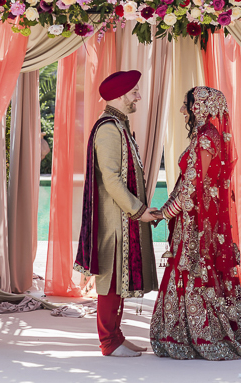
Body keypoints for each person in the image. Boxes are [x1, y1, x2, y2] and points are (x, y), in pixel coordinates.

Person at [150, 86, 241, 360]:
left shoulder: (206, 139)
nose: (183, 110)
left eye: (186, 104)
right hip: (195, 220)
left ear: (198, 107)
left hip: (196, 224)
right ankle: (189, 333)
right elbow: (188, 182)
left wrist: (163, 214)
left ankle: (197, 335)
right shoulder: (205, 137)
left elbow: (193, 186)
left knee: (192, 269)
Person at [74, 70, 160, 358]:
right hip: (115, 221)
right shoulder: (109, 129)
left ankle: (116, 336)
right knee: (111, 282)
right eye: (133, 91)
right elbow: (111, 179)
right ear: (120, 96)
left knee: (119, 282)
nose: (138, 96)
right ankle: (108, 341)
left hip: (123, 219)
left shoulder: (120, 125)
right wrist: (138, 211)